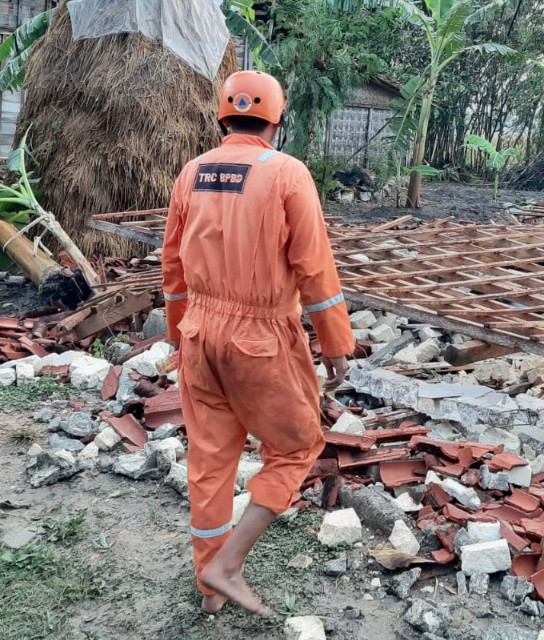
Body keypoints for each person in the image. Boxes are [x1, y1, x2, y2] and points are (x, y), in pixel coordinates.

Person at [161, 70, 355, 616]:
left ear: (222, 118)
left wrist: (180, 335)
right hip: (261, 337)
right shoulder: (288, 174)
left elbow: (172, 265)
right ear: (277, 120)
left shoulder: (191, 173)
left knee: (210, 459)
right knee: (296, 446)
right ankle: (227, 566)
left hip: (199, 334)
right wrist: (335, 342)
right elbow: (314, 267)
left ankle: (208, 591)